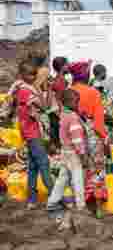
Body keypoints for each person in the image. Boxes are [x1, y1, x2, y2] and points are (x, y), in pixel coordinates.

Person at [12, 60, 54, 209]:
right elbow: (44, 106)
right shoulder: (25, 91)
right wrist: (42, 88)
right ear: (22, 75)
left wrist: (45, 89)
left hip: (30, 132)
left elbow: (44, 106)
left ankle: (32, 200)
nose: (33, 77)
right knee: (44, 164)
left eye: (35, 75)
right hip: (32, 133)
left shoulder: (25, 89)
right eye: (31, 75)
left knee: (33, 167)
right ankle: (54, 196)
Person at [47, 89, 90, 230]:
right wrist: (83, 155)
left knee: (62, 179)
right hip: (73, 154)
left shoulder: (63, 115)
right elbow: (77, 139)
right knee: (77, 180)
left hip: (65, 152)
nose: (78, 104)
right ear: (70, 102)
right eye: (76, 101)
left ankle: (52, 203)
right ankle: (80, 206)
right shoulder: (72, 117)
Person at [69, 61, 107, 143]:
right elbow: (98, 125)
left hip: (71, 137)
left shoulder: (67, 91)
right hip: (90, 137)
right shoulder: (93, 92)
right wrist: (104, 139)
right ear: (85, 75)